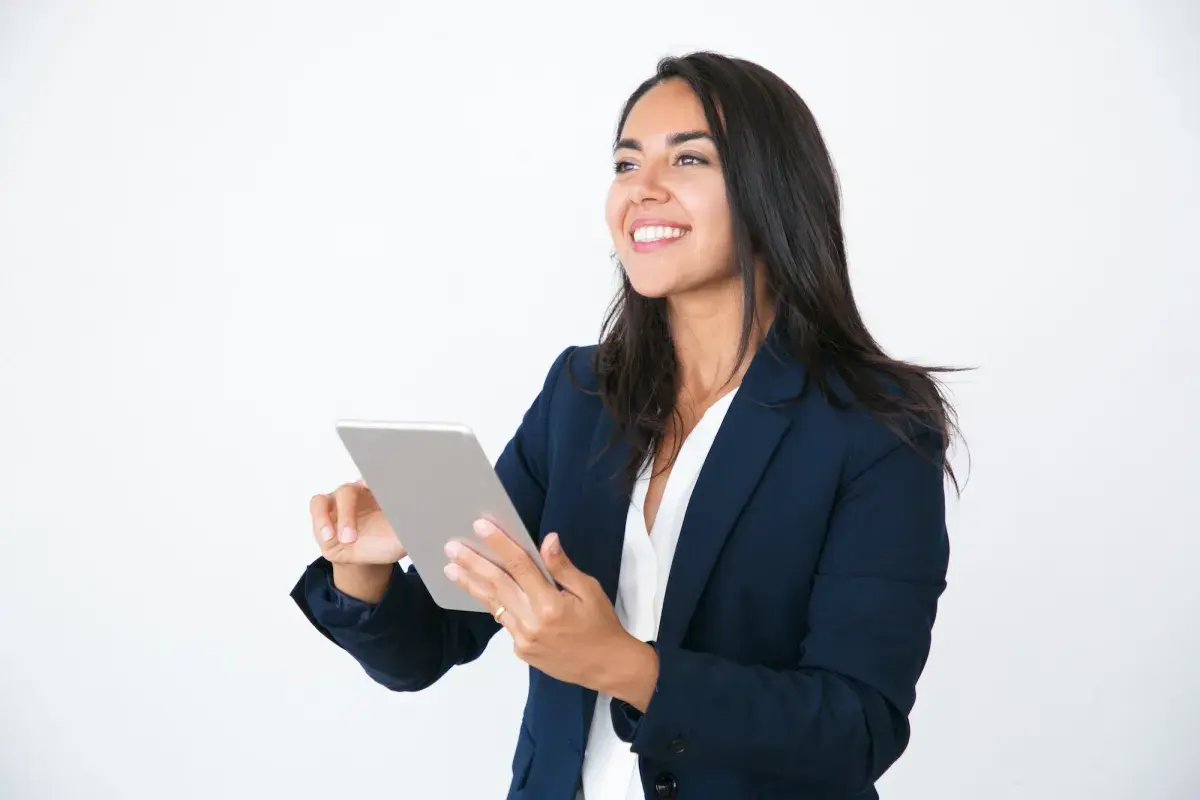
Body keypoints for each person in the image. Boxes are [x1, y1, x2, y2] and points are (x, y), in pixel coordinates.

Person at [291, 50, 962, 800]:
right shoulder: (582, 394)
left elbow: (856, 728)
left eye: (690, 158)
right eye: (625, 163)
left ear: (773, 188)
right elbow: (432, 645)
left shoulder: (874, 426)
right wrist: (362, 564)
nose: (642, 190)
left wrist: (624, 667)